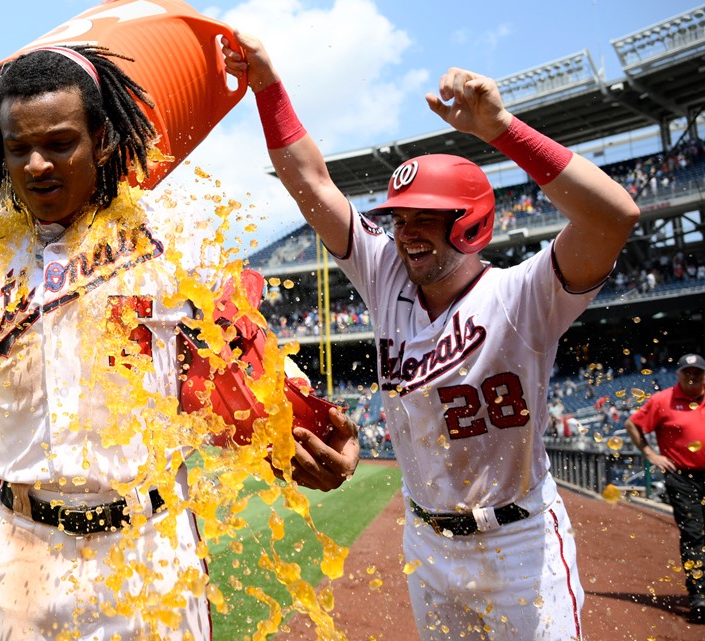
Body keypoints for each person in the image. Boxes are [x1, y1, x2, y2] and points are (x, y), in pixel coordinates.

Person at [0, 44, 360, 640]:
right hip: (22, 549)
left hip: (149, 546)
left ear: (102, 139)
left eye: (59, 142)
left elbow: (246, 347)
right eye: (18, 149)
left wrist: (310, 426)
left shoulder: (169, 229)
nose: (37, 165)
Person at [225, 32, 639, 640]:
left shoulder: (523, 295)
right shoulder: (385, 272)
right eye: (399, 216)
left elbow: (615, 215)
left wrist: (502, 130)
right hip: (428, 539)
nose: (406, 230)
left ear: (469, 225)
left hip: (520, 545)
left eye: (426, 216)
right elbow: (312, 182)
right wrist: (268, 87)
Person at [624, 352, 705, 624]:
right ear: (678, 374)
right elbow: (632, 424)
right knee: (694, 535)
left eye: (698, 372)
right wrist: (651, 455)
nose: (692, 376)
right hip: (683, 478)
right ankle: (699, 596)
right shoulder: (662, 401)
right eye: (687, 372)